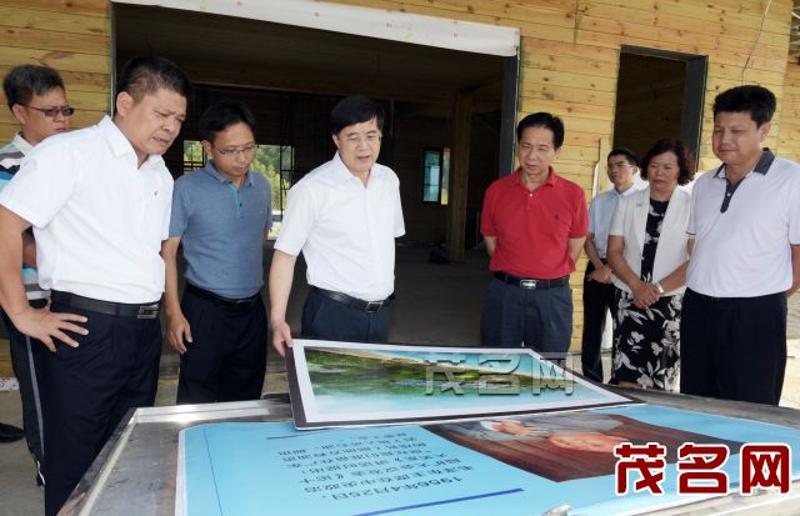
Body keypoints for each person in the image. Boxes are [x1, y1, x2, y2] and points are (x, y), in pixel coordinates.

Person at [0, 56, 191, 515]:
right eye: (161, 114)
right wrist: (20, 313)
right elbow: (6, 225)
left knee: (127, 452)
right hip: (85, 329)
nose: (170, 128)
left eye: (179, 119)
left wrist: (168, 311)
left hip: (140, 335)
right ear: (125, 103)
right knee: (75, 460)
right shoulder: (68, 154)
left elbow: (154, 253)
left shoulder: (159, 172)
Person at [681, 85, 800, 405]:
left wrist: (763, 293)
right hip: (698, 309)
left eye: (737, 131)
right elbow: (697, 244)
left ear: (764, 130)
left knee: (751, 406)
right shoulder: (705, 183)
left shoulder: (791, 180)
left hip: (755, 314)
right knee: (697, 403)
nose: (724, 140)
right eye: (718, 130)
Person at [269, 95, 405, 356]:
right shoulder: (312, 189)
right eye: (353, 137)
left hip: (382, 315)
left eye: (371, 135)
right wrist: (277, 320)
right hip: (333, 316)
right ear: (336, 140)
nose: (364, 146)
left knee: (372, 393)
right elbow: (285, 257)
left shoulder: (389, 180)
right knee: (327, 394)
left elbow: (388, 240)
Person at [162, 101, 271, 404]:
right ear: (208, 147)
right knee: (198, 396)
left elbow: (261, 237)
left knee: (248, 395)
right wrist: (173, 313)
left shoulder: (262, 186)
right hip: (204, 310)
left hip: (252, 310)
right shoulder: (186, 188)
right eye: (230, 151)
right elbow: (168, 252)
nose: (242, 158)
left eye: (249, 148)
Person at [0, 64, 72, 483]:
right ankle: (50, 472)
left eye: (66, 110)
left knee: (69, 388)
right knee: (41, 393)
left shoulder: (70, 159)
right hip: (30, 298)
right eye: (50, 112)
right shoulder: (9, 164)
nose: (62, 121)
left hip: (72, 296)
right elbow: (17, 235)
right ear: (20, 112)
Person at [479, 112, 588, 355]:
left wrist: (546, 269)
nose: (532, 156)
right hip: (505, 293)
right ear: (517, 145)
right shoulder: (496, 191)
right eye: (526, 146)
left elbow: (576, 243)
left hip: (551, 297)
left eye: (542, 148)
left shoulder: (573, 194)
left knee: (547, 373)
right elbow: (491, 240)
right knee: (496, 367)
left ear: (556, 151)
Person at [607, 138, 694, 391]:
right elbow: (614, 251)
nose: (660, 173)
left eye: (668, 167)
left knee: (661, 376)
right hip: (630, 298)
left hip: (669, 302)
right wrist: (637, 287)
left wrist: (656, 289)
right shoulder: (628, 201)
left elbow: (695, 259)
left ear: (681, 170)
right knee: (626, 374)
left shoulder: (691, 206)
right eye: (655, 166)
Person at [580, 148, 639, 383]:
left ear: (635, 169)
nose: (614, 170)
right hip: (597, 267)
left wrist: (611, 269)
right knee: (593, 327)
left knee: (623, 328)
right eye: (610, 166)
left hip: (626, 269)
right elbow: (587, 237)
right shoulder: (600, 200)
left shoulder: (642, 201)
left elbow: (637, 244)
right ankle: (591, 379)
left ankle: (619, 380)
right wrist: (599, 267)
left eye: (620, 165)